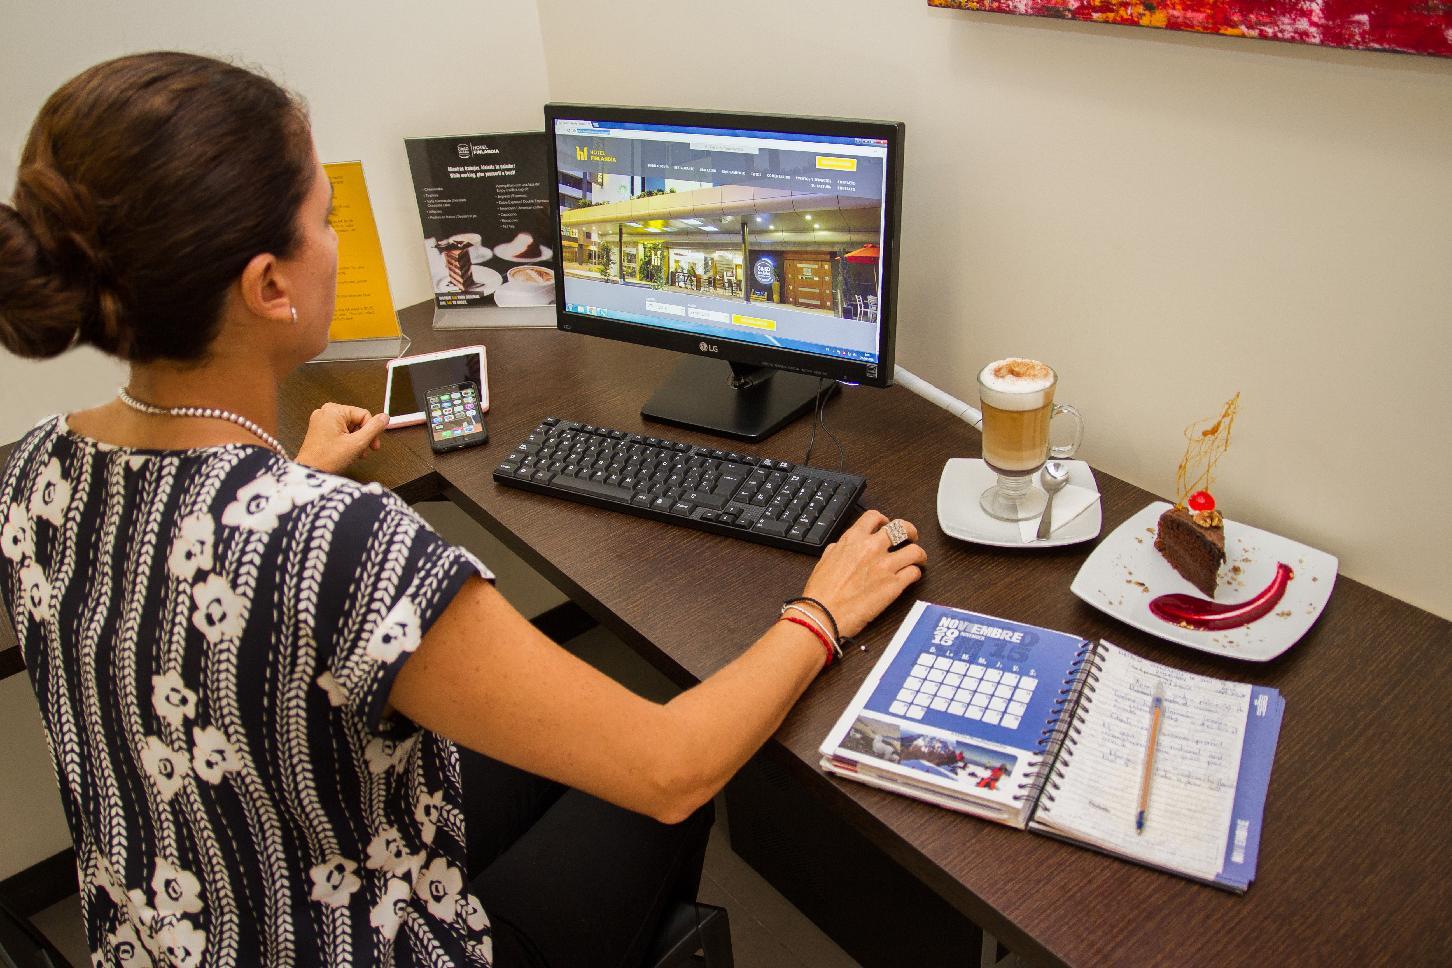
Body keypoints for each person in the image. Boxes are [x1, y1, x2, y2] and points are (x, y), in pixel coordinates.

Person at [0, 53, 926, 967]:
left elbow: (184, 605)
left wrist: (294, 474)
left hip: (173, 921)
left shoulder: (33, 467)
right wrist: (823, 611)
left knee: (555, 731)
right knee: (663, 765)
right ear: (269, 286)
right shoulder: (341, 545)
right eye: (322, 219)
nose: (334, 243)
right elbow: (672, 769)